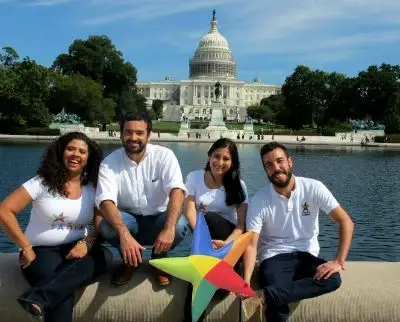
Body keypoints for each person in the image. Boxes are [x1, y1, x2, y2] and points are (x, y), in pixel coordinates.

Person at [0, 132, 111, 322]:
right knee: (62, 295)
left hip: (77, 249)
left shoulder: (93, 188)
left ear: (88, 158)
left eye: (82, 151)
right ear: (61, 152)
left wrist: (86, 242)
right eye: (70, 149)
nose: (76, 154)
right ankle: (41, 298)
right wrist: (25, 247)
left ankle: (36, 298)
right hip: (40, 251)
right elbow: (5, 210)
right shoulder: (41, 182)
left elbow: (97, 223)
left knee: (106, 256)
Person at [244, 142, 354, 322]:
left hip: (307, 255)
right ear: (265, 170)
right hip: (274, 257)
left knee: (333, 279)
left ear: (290, 162)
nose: (276, 168)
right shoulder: (258, 200)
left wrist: (339, 261)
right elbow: (251, 244)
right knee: (277, 307)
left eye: (280, 161)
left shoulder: (313, 187)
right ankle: (271, 295)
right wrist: (246, 280)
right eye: (269, 165)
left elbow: (345, 221)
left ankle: (265, 295)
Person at [95, 112, 189, 286]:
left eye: (139, 133)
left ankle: (158, 260)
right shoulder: (109, 162)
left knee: (179, 225)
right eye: (128, 132)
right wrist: (123, 234)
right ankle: (130, 261)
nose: (133, 137)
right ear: (121, 134)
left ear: (149, 135)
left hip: (158, 219)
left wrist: (168, 228)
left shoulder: (164, 156)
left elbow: (177, 190)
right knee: (107, 226)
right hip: (128, 221)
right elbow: (105, 201)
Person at [183, 138, 248, 322]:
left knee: (207, 217)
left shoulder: (239, 185)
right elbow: (188, 211)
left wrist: (226, 244)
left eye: (226, 158)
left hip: (228, 242)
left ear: (232, 162)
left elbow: (241, 226)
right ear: (209, 156)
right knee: (200, 274)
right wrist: (204, 241)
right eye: (216, 156)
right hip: (205, 242)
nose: (220, 162)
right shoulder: (194, 177)